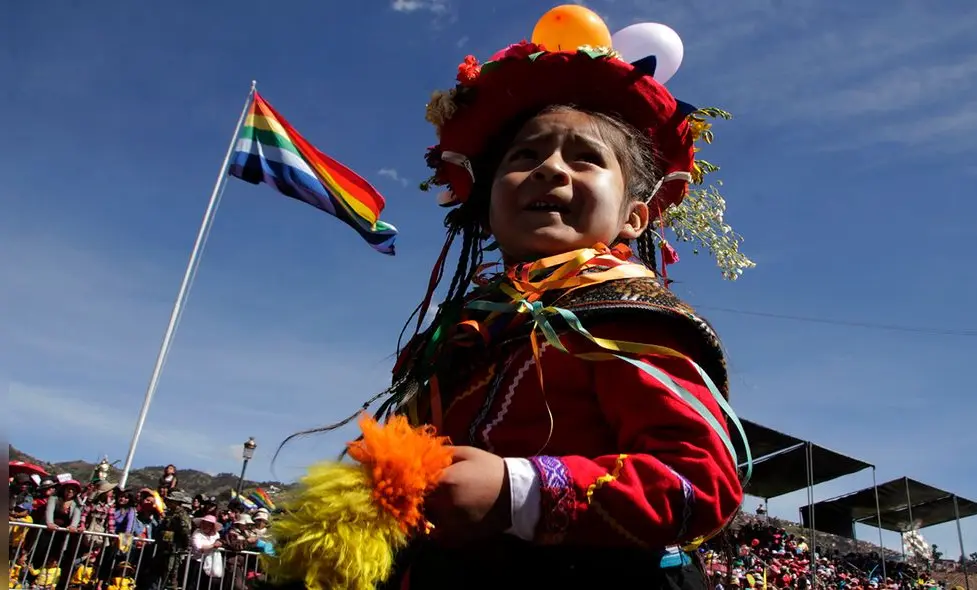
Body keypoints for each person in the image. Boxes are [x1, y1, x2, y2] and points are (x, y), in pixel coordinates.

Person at [273, 15, 753, 590]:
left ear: (634, 216)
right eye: (524, 157)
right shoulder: (463, 333)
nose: (550, 167)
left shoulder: (631, 322)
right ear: (488, 200)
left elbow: (697, 484)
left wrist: (515, 490)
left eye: (585, 158)